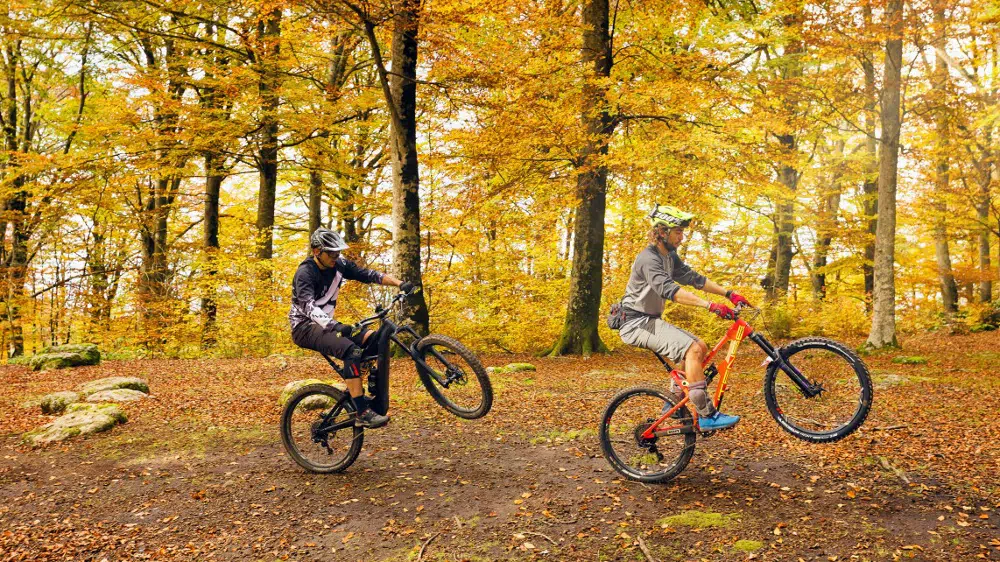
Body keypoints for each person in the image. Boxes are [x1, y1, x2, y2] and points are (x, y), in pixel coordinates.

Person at [618, 204, 753, 431]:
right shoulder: (648, 259)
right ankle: (707, 414)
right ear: (662, 232)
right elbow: (669, 290)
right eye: (678, 232)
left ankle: (671, 406)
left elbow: (693, 278)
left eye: (682, 232)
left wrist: (729, 294)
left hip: (648, 321)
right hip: (635, 322)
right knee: (692, 349)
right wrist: (710, 306)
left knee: (700, 346)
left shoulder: (669, 256)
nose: (682, 237)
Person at [289, 228, 414, 429]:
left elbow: (368, 274)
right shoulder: (305, 272)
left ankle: (359, 381)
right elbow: (308, 306)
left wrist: (400, 284)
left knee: (375, 339)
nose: (336, 256)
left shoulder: (339, 265)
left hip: (326, 324)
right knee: (351, 350)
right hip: (304, 327)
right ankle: (362, 412)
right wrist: (335, 325)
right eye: (331, 253)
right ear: (316, 251)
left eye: (338, 252)